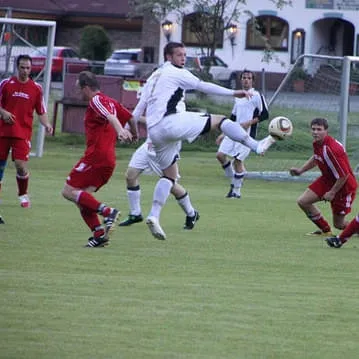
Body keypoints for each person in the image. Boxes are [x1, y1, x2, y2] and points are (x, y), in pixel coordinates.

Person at [142, 42, 277, 240]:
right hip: (172, 124)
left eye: (184, 54)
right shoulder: (176, 73)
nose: (183, 58)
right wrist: (232, 92)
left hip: (154, 132)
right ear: (169, 57)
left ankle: (155, 215)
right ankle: (256, 146)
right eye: (180, 54)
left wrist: (130, 126)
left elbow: (140, 105)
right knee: (221, 120)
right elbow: (202, 85)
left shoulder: (155, 77)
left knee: (169, 177)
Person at [61, 71, 136, 248]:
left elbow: (111, 117)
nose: (78, 92)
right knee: (82, 198)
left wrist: (120, 132)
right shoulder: (111, 101)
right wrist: (135, 134)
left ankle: (108, 212)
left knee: (68, 191)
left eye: (79, 88)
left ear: (86, 88)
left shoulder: (96, 100)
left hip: (96, 157)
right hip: (108, 160)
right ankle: (99, 234)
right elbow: (130, 117)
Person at [119, 70, 199, 229]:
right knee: (130, 175)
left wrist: (130, 120)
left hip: (164, 146)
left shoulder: (176, 103)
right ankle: (135, 213)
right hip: (150, 143)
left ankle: (191, 213)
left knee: (171, 185)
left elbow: (166, 123)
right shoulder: (156, 95)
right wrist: (130, 122)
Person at [0, 54, 53, 208]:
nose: (25, 71)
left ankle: (23, 194)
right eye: (22, 67)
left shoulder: (36, 88)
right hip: (3, 132)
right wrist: (3, 112)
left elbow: (41, 111)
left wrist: (47, 125)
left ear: (31, 69)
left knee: (21, 166)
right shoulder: (6, 84)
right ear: (17, 67)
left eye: (28, 68)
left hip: (22, 134)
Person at [289, 117, 357, 236]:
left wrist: (332, 192)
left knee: (339, 225)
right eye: (313, 129)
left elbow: (344, 175)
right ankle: (325, 231)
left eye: (319, 129)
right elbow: (316, 157)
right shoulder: (318, 143)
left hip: (344, 187)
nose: (315, 132)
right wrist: (301, 170)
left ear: (326, 131)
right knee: (303, 201)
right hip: (327, 180)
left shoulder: (331, 149)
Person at [216, 69, 269, 198]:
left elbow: (265, 115)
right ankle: (234, 180)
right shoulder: (238, 97)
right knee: (220, 155)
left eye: (249, 78)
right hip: (233, 131)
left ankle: (236, 192)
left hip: (247, 134)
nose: (246, 80)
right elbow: (233, 117)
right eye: (244, 78)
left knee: (238, 161)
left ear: (253, 81)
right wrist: (224, 133)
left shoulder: (256, 95)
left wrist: (249, 123)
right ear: (240, 80)